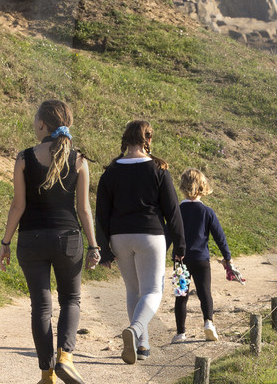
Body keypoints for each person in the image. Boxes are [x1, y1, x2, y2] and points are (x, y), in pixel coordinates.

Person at [0, 100, 100, 384]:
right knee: (71, 300)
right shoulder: (79, 161)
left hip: (31, 240)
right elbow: (83, 210)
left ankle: (46, 377)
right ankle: (65, 357)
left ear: (42, 124)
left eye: (35, 118)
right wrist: (93, 246)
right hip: (68, 239)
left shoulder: (25, 158)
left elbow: (18, 206)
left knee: (40, 308)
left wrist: (5, 242)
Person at [94, 120, 186, 365]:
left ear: (126, 139)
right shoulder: (158, 169)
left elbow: (101, 214)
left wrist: (103, 249)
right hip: (150, 235)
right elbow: (172, 211)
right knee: (153, 291)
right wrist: (180, 244)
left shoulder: (111, 171)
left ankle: (142, 346)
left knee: (133, 291)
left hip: (120, 237)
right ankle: (135, 330)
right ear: (148, 140)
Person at [176, 168, 234, 342]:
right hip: (201, 259)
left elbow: (168, 234)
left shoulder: (177, 211)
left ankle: (180, 333)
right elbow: (220, 237)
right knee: (204, 293)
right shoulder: (207, 212)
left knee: (181, 296)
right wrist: (227, 258)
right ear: (203, 187)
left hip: (181, 261)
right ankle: (208, 322)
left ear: (182, 187)